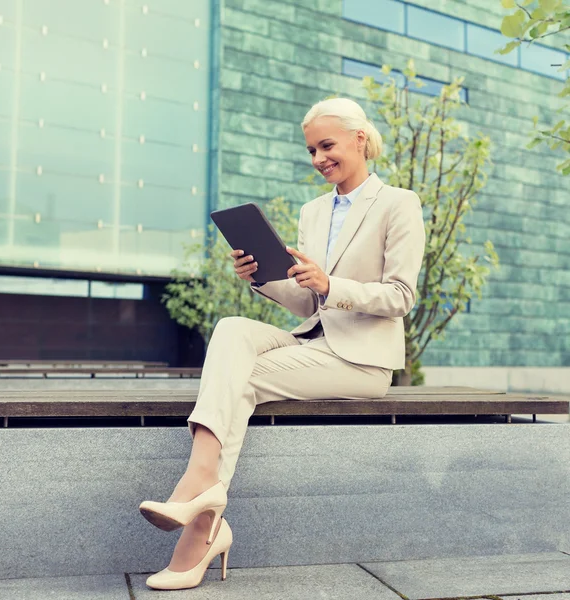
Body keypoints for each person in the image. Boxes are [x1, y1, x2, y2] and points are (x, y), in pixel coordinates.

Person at [138, 97, 426, 590]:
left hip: (360, 361)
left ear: (360, 139)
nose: (318, 159)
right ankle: (203, 496)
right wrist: (263, 279)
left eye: (326, 145)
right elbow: (307, 305)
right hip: (311, 343)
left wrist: (330, 283)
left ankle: (199, 517)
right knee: (231, 326)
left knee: (237, 383)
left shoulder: (399, 203)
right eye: (311, 149)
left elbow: (401, 297)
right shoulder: (312, 212)